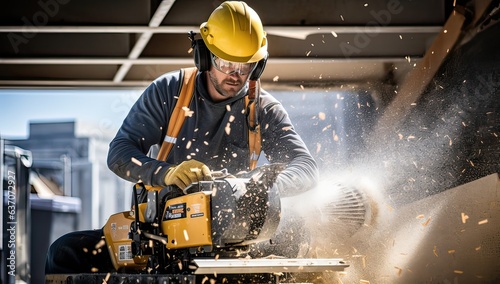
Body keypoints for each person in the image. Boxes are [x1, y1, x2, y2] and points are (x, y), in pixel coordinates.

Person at [45, 1, 318, 274]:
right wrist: (167, 173)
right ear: (204, 55)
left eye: (245, 66)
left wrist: (259, 186)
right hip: (160, 234)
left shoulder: (263, 109)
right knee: (65, 252)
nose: (236, 75)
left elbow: (306, 167)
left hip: (235, 237)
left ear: (258, 66)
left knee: (298, 239)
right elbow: (119, 153)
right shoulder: (170, 92)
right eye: (225, 63)